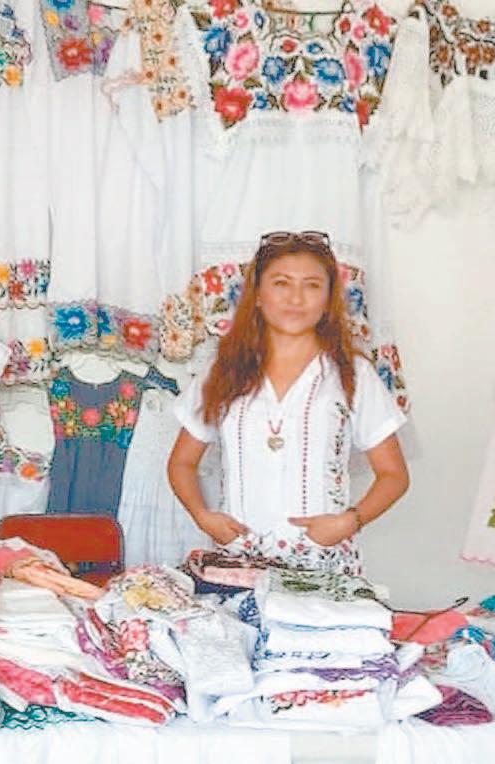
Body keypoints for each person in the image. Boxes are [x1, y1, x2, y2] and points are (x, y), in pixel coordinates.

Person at [167, 231, 410, 574]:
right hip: (240, 562)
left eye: (312, 285)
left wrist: (349, 521)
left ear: (328, 298)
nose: (296, 298)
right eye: (281, 283)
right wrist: (203, 516)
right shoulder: (222, 370)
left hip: (323, 566)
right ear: (257, 294)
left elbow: (394, 475)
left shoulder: (353, 374)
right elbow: (181, 463)